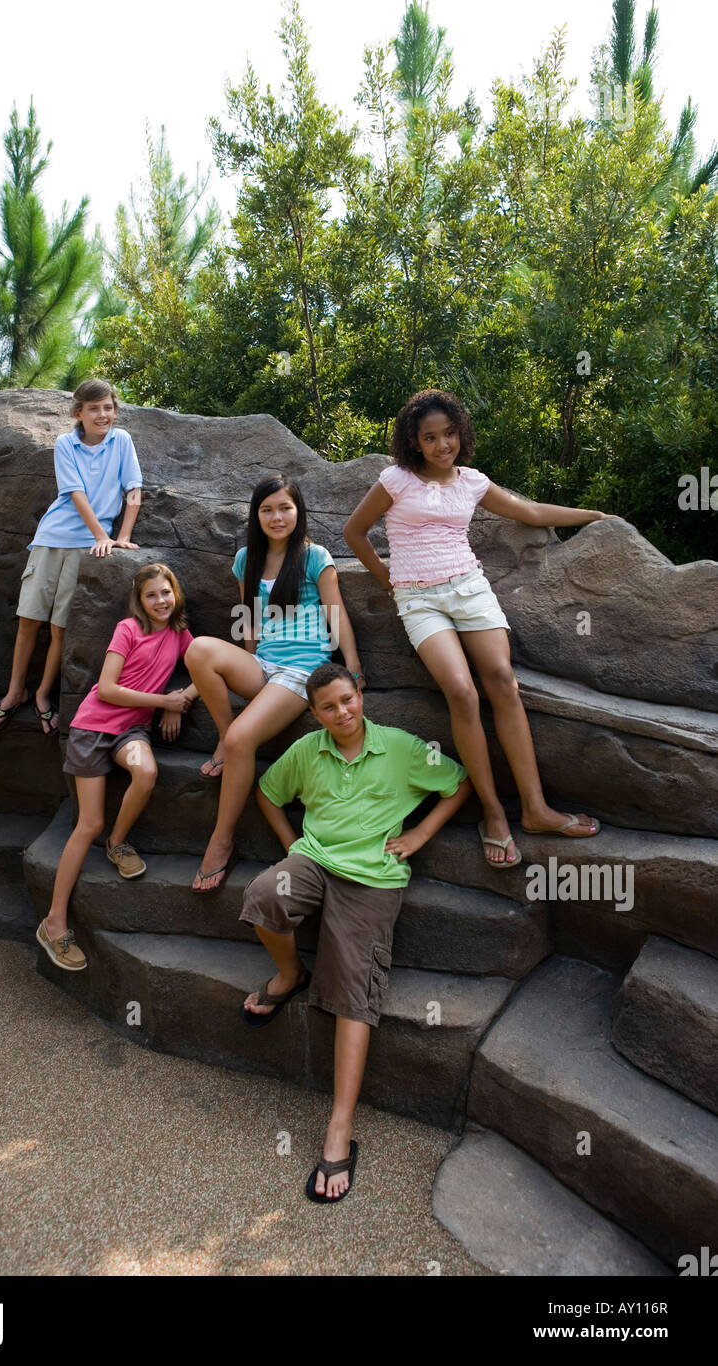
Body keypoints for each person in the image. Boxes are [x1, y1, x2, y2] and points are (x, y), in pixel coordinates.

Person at [344, 387, 616, 868]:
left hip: (470, 589)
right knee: (462, 692)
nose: (441, 445)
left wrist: (594, 517)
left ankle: (535, 809)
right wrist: (390, 580)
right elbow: (354, 532)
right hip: (420, 600)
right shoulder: (396, 479)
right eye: (430, 438)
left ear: (460, 434)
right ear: (415, 442)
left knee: (503, 683)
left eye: (448, 434)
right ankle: (493, 813)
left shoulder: (471, 481)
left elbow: (528, 511)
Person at [240, 661, 471, 1202]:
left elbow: (459, 782)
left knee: (350, 993)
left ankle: (339, 1128)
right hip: (314, 861)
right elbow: (268, 793)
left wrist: (420, 833)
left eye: (348, 699)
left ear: (359, 692)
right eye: (328, 706)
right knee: (262, 895)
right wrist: (291, 846)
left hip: (372, 879)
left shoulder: (402, 747)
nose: (342, 712)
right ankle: (291, 972)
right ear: (314, 713)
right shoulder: (307, 750)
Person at [185, 474, 364, 893]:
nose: (276, 516)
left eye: (284, 508)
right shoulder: (247, 559)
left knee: (242, 740)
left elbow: (336, 615)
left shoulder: (315, 557)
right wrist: (245, 659)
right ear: (256, 515)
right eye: (267, 509)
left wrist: (353, 667)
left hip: (301, 672)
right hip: (263, 663)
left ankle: (221, 840)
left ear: (298, 512)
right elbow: (248, 619)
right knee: (197, 651)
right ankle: (227, 731)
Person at [36, 563, 198, 971]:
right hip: (92, 727)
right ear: (139, 601)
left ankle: (118, 842)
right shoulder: (128, 628)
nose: (161, 601)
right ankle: (54, 923)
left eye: (166, 592)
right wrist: (165, 703)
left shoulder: (180, 635)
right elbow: (107, 687)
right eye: (152, 595)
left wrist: (183, 699)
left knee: (145, 772)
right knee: (87, 824)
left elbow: (206, 673)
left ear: (175, 593)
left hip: (132, 733)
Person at [0, 378, 142, 736]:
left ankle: (41, 694)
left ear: (115, 411)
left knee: (60, 627)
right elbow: (75, 494)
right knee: (29, 618)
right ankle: (14, 691)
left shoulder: (123, 442)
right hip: (54, 537)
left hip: (88, 546)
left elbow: (134, 490)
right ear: (79, 413)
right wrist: (103, 535)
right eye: (94, 409)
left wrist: (123, 537)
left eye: (108, 407)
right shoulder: (65, 444)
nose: (102, 414)